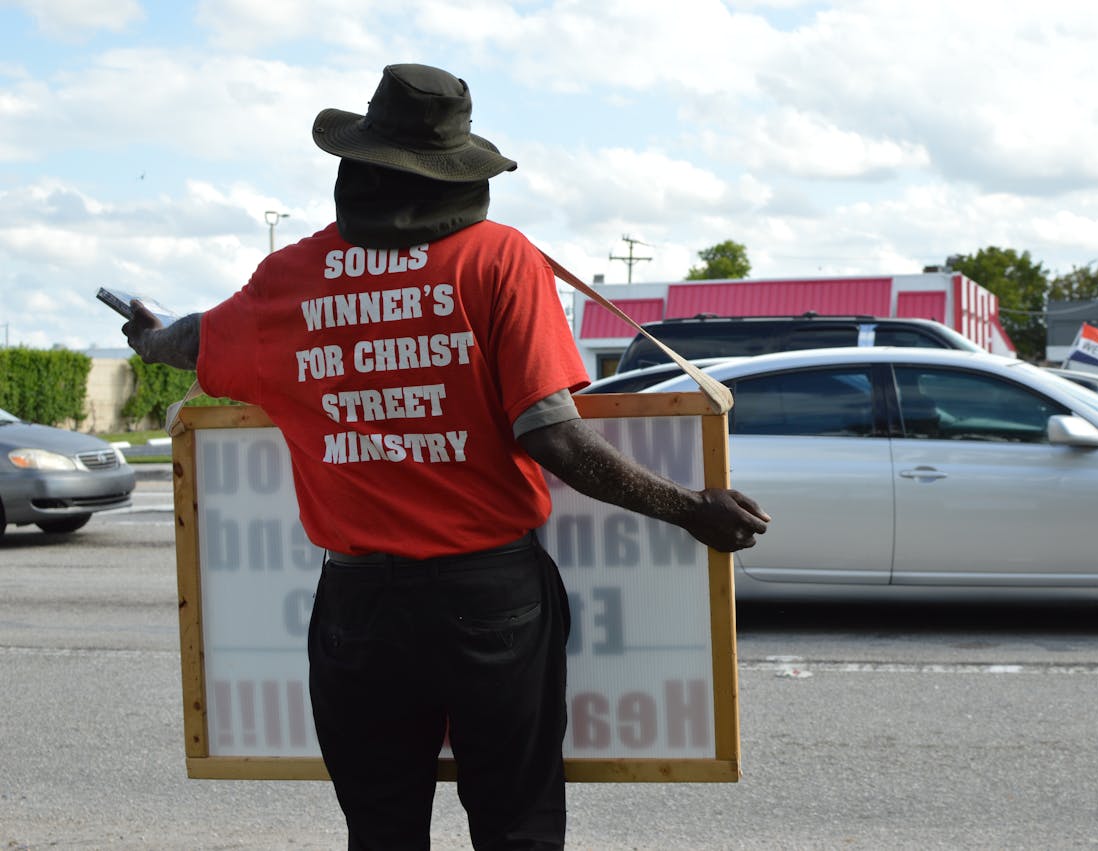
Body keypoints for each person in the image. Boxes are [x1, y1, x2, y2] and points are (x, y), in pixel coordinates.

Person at [123, 64, 769, 850]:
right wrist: (688, 508)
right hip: (491, 599)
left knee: (383, 830)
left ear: (357, 164)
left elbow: (193, 339)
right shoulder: (500, 260)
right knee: (517, 825)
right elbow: (550, 432)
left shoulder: (289, 277)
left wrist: (149, 337)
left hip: (356, 608)